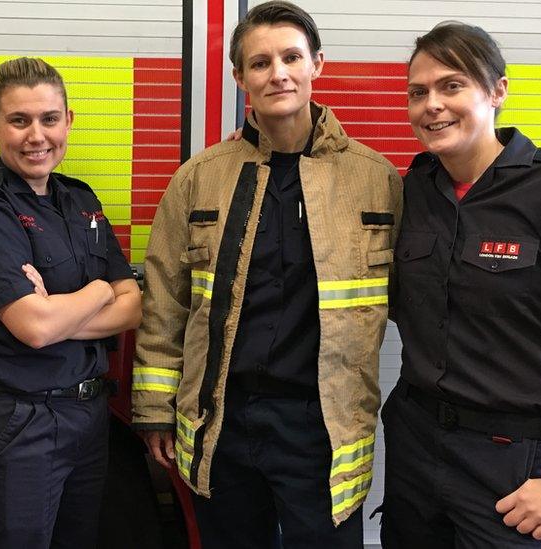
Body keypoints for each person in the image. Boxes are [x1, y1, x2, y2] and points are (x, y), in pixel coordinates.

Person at [131, 2, 402, 547]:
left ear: (316, 64)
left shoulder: (376, 181)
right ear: (240, 77)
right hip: (221, 423)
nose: (277, 73)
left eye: (291, 57)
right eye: (260, 63)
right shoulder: (199, 179)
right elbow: (165, 301)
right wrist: (155, 412)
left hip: (322, 430)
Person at [381, 21, 541, 548]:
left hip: (512, 458)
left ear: (497, 91)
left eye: (452, 85)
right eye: (418, 92)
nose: (432, 105)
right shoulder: (415, 187)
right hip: (415, 445)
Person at [0, 57, 141, 549]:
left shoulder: (80, 199)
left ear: (68, 120)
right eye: (19, 120)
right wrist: (98, 292)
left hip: (91, 417)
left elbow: (134, 305)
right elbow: (34, 328)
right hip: (18, 424)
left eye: (49, 119)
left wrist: (59, 313)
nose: (37, 135)